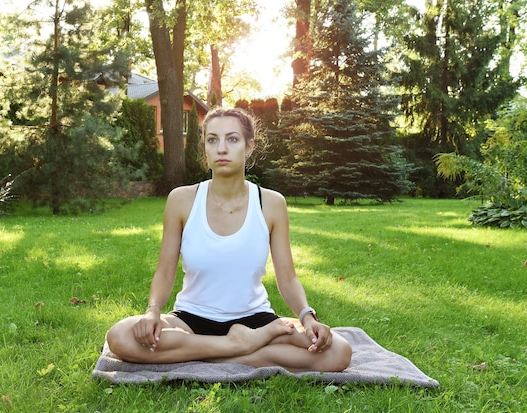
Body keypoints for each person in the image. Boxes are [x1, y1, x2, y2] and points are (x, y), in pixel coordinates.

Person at [106, 107, 352, 372]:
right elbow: (165, 272)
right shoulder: (181, 200)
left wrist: (308, 317)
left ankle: (207, 351)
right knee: (120, 336)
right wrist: (153, 312)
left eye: (232, 139)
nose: (221, 148)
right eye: (212, 140)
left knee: (338, 352)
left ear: (249, 147)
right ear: (205, 150)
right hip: (191, 319)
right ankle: (241, 347)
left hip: (256, 320)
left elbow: (287, 278)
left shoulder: (271, 203)